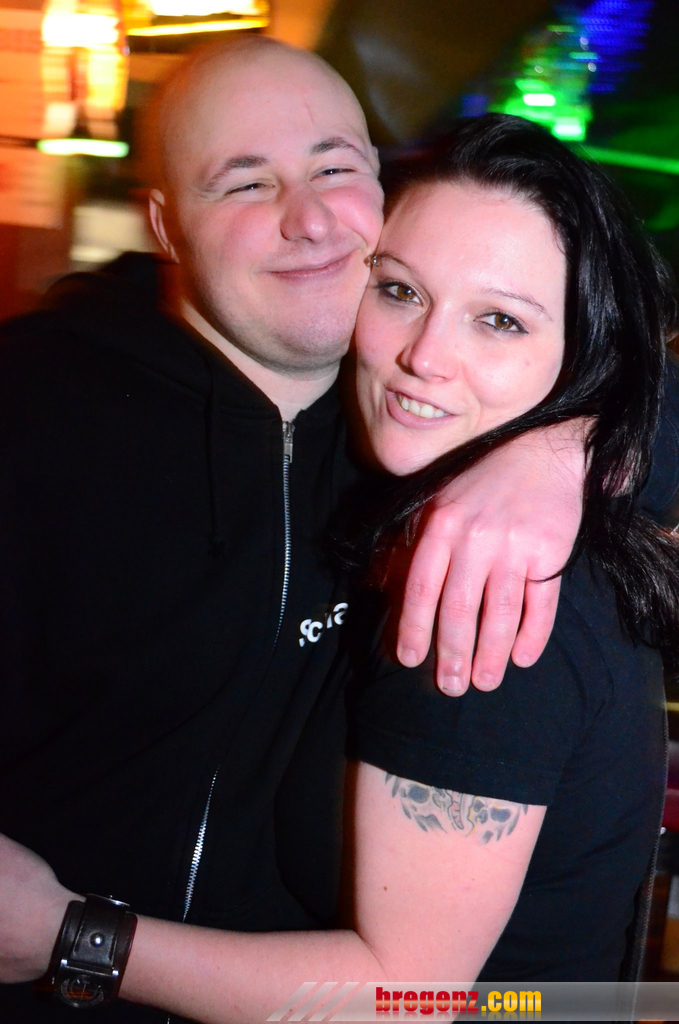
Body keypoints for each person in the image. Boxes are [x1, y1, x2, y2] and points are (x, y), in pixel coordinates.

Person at [0, 114, 677, 1021]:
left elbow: (408, 995)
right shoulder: (387, 480)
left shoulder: (480, 595)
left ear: (582, 356)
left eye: (499, 320)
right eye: (399, 291)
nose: (423, 357)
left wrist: (64, 934)